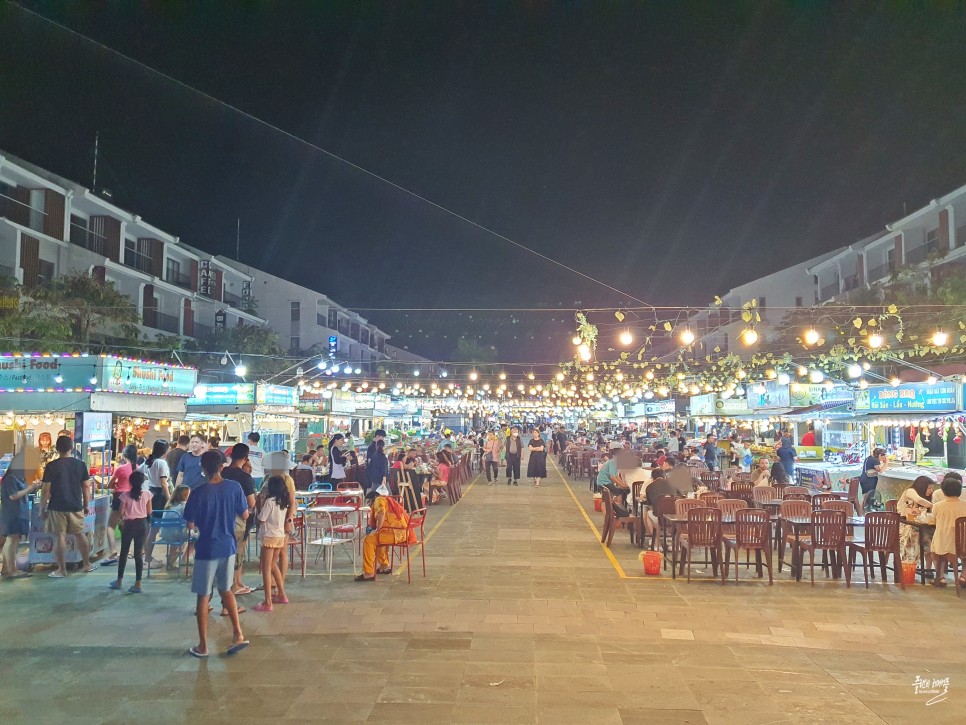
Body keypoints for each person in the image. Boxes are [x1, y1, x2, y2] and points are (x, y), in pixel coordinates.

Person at [183, 450, 249, 658]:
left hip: (206, 548)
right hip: (228, 546)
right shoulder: (234, 487)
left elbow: (191, 524)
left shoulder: (198, 492)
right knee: (226, 589)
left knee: (203, 597)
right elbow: (245, 514)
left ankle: (203, 646)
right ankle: (238, 633)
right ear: (222, 466)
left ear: (203, 468)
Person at [41, 435, 96, 578]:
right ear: (72, 447)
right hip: (76, 505)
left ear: (57, 449)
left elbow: (46, 489)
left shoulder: (51, 466)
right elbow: (86, 487)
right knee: (80, 534)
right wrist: (87, 505)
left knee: (60, 537)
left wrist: (42, 508)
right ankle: (86, 565)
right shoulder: (81, 464)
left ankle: (62, 570)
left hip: (57, 506)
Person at [355, 485, 414, 582]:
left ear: (374, 498)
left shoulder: (379, 500)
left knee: (368, 540)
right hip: (402, 533)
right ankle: (383, 566)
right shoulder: (389, 500)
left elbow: (381, 513)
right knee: (378, 538)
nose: (369, 505)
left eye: (369, 503)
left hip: (394, 533)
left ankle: (369, 573)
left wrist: (378, 529)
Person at [221, 443, 257, 600]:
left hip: (221, 519)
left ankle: (238, 582)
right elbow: (251, 503)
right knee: (237, 553)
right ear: (246, 457)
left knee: (231, 553)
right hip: (239, 521)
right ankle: (234, 586)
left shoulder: (222, 473)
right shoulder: (244, 477)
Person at [108, 470, 152, 593]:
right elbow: (149, 512)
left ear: (129, 482)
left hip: (129, 525)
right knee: (138, 554)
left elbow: (121, 512)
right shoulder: (147, 494)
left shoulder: (125, 496)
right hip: (142, 525)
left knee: (124, 552)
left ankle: (119, 581)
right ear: (143, 482)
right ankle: (138, 584)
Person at [1, 448, 41, 579]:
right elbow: (13, 496)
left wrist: (33, 487)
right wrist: (30, 488)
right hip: (12, 513)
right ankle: (11, 570)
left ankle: (7, 569)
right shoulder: (11, 477)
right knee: (12, 540)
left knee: (13, 540)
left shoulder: (18, 476)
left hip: (17, 512)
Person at [254, 475, 290, 611]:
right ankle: (282, 594)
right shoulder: (283, 501)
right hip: (280, 536)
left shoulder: (270, 501)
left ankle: (268, 602)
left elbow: (262, 519)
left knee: (266, 568)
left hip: (269, 536)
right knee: (273, 565)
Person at [102, 444, 139, 565]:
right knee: (126, 525)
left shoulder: (121, 468)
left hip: (120, 497)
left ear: (124, 455)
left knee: (111, 525)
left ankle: (113, 552)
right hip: (133, 498)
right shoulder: (138, 468)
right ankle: (126, 551)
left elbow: (109, 485)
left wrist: (116, 487)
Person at [930, 476, 966, 587]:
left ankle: (941, 577)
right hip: (963, 543)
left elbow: (933, 521)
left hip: (943, 542)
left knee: (935, 551)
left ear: (944, 491)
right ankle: (964, 576)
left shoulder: (937, 506)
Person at [145, 485, 191, 569]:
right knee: (196, 536)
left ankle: (171, 559)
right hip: (177, 535)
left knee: (176, 532)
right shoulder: (185, 506)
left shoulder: (168, 505)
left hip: (165, 534)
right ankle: (185, 558)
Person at [897, 475, 934, 573]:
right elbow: (918, 500)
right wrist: (933, 506)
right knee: (917, 535)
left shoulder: (926, 497)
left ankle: (928, 568)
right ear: (922, 486)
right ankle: (910, 564)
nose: (931, 490)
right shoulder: (910, 491)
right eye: (929, 487)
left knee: (929, 537)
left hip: (919, 525)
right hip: (904, 524)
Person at [142, 440, 171, 513]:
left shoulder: (149, 461)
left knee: (152, 517)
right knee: (160, 517)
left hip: (151, 491)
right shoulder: (161, 462)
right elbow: (163, 483)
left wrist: (149, 477)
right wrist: (169, 500)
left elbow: (137, 471)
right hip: (160, 495)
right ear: (165, 450)